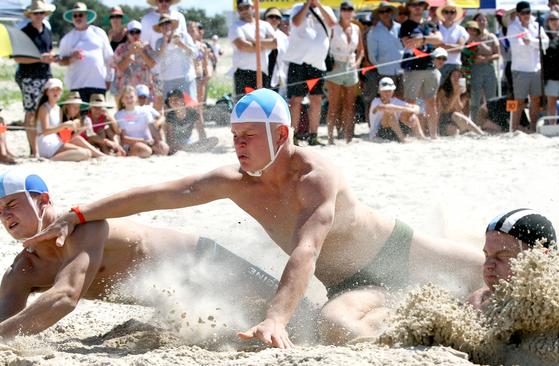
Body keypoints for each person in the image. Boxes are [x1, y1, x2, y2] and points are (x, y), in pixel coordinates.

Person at [28, 88, 484, 348]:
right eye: (234, 136)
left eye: (249, 136)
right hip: (351, 284)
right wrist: (80, 212)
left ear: (282, 135)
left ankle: (428, 284)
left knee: (490, 269)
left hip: (397, 250)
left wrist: (276, 319)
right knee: (337, 329)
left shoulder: (315, 177)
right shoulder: (238, 179)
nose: (238, 145)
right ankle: (410, 307)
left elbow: (306, 250)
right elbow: (163, 194)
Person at [0, 168, 286, 338]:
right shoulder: (23, 270)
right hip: (194, 305)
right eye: (0, 211)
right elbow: (7, 324)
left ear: (43, 200)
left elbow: (64, 297)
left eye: (11, 204)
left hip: (205, 260)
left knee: (299, 315)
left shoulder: (86, 229)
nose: (5, 215)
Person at [468, 209, 557, 310]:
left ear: (541, 259)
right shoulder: (477, 303)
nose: (487, 265)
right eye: (487, 255)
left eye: (502, 256)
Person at [283, 0, 337, 146]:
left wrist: (318, 5)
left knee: (316, 99)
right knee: (296, 100)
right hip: (298, 61)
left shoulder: (326, 9)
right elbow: (295, 22)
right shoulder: (297, 8)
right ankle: (293, 136)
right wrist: (307, 5)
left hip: (317, 62)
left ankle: (313, 135)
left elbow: (332, 24)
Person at [15, 0, 57, 157]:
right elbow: (18, 58)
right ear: (30, 15)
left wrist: (52, 57)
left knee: (45, 111)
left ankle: (45, 147)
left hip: (46, 75)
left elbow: (49, 49)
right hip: (29, 77)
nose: (39, 16)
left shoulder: (47, 30)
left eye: (41, 13)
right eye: (36, 13)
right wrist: (40, 58)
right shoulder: (24, 33)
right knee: (31, 112)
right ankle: (34, 151)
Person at [399, 0, 443, 137]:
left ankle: (434, 135)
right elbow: (407, 43)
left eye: (420, 4)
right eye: (414, 5)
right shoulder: (406, 25)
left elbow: (439, 39)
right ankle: (417, 134)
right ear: (409, 8)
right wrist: (429, 39)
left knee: (432, 103)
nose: (417, 7)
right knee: (410, 104)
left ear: (424, 7)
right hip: (412, 68)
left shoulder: (430, 24)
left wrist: (422, 39)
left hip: (430, 66)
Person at [58, 2, 114, 103]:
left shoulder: (99, 33)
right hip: (77, 85)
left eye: (80, 15)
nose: (78, 17)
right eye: (75, 15)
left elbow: (109, 58)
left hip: (98, 84)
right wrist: (71, 58)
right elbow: (61, 61)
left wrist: (109, 79)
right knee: (80, 117)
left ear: (86, 16)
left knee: (99, 117)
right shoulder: (67, 38)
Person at [325, 2, 364, 145]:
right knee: (334, 104)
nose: (347, 12)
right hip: (336, 65)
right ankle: (330, 138)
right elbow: (325, 46)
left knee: (349, 104)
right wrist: (329, 61)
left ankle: (348, 136)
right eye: (345, 9)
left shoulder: (356, 28)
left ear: (353, 12)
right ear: (340, 11)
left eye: (350, 9)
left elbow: (361, 50)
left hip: (351, 65)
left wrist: (358, 63)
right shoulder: (333, 27)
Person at [508, 1, 549, 132]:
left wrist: (530, 41)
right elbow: (518, 46)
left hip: (536, 68)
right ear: (518, 14)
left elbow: (546, 43)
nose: (526, 15)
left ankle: (533, 128)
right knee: (518, 101)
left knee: (536, 100)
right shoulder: (513, 27)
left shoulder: (536, 25)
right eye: (523, 13)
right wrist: (536, 43)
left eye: (528, 12)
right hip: (520, 69)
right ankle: (513, 129)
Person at [35, 79, 97, 161]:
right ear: (47, 92)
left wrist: (80, 130)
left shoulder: (58, 109)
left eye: (58, 90)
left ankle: (53, 159)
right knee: (84, 153)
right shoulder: (44, 108)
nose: (55, 92)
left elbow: (65, 138)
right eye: (52, 90)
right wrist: (64, 125)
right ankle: (52, 160)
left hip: (56, 142)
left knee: (87, 153)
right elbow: (45, 131)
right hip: (46, 143)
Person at [228, 0, 277, 96]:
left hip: (262, 72)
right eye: (240, 8)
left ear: (253, 8)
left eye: (246, 7)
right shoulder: (235, 26)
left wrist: (254, 41)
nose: (244, 10)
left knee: (262, 103)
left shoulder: (264, 25)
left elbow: (274, 43)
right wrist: (263, 45)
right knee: (246, 105)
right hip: (244, 73)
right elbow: (243, 46)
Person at [153, 14, 199, 104]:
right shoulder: (159, 42)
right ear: (160, 28)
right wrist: (165, 43)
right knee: (170, 111)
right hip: (167, 80)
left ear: (172, 25)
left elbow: (195, 54)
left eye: (167, 23)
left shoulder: (184, 36)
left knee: (191, 107)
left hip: (186, 79)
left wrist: (181, 44)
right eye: (162, 24)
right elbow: (157, 61)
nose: (165, 26)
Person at [115, 86, 169, 158]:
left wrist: (157, 141)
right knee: (145, 150)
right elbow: (124, 139)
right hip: (131, 144)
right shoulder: (119, 115)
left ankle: (152, 151)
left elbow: (152, 129)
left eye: (131, 97)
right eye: (126, 97)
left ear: (136, 98)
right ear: (122, 100)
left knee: (164, 148)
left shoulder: (144, 111)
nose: (129, 100)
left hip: (148, 142)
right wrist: (143, 141)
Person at [465, 15, 500, 123]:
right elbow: (466, 54)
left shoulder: (491, 36)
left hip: (489, 68)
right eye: (479, 20)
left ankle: (492, 122)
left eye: (483, 19)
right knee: (475, 99)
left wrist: (485, 59)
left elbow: (498, 54)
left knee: (491, 99)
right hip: (475, 69)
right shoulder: (470, 37)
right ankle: (475, 123)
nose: (481, 22)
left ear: (487, 22)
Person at [366, 2, 404, 99]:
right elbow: (372, 56)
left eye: (387, 11)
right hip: (384, 71)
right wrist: (381, 66)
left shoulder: (401, 28)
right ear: (378, 15)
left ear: (391, 12)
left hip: (402, 70)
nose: (385, 14)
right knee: (386, 100)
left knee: (402, 99)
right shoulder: (373, 32)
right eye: (382, 12)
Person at [369, 77, 425, 142]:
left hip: (394, 133)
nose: (387, 93)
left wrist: (412, 112)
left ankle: (420, 136)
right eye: (384, 91)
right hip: (378, 135)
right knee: (389, 113)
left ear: (393, 91)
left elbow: (416, 107)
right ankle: (403, 140)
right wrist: (408, 109)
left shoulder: (395, 100)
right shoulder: (375, 102)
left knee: (412, 116)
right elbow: (386, 107)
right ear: (379, 91)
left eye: (389, 90)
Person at [163, 89, 217, 154]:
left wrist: (203, 142)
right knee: (172, 147)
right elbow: (170, 139)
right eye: (170, 100)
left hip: (189, 142)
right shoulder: (170, 116)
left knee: (214, 139)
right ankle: (190, 149)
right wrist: (175, 147)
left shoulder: (192, 113)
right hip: (176, 144)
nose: (173, 102)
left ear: (182, 100)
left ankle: (190, 149)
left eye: (176, 99)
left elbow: (201, 132)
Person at [436, 67, 485, 136]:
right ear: (449, 78)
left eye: (459, 76)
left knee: (455, 115)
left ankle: (480, 134)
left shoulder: (464, 92)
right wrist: (455, 94)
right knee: (453, 129)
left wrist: (458, 93)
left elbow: (459, 109)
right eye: (454, 76)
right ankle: (479, 133)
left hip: (458, 119)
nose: (456, 78)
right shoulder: (443, 90)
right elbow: (446, 110)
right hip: (444, 120)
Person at [113, 20, 157, 97]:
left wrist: (141, 52)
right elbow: (119, 68)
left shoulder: (147, 47)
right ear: (127, 34)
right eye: (132, 32)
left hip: (145, 91)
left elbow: (152, 65)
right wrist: (130, 52)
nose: (135, 35)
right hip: (126, 91)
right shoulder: (121, 48)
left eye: (137, 32)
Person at [59, 91, 106, 158]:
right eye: (74, 107)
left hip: (67, 144)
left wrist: (83, 128)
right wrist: (80, 130)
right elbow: (66, 140)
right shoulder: (62, 118)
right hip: (60, 146)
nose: (76, 110)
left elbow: (89, 134)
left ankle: (102, 154)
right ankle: (102, 155)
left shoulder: (75, 118)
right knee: (78, 139)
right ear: (67, 106)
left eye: (78, 107)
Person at [436, 1, 469, 81]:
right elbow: (433, 46)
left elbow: (460, 48)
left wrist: (442, 46)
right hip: (437, 65)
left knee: (455, 92)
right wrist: (452, 46)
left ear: (456, 14)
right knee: (437, 91)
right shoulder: (436, 27)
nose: (449, 14)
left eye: (452, 12)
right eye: (446, 12)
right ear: (442, 13)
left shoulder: (461, 29)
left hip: (454, 65)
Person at [264, 8, 289, 91]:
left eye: (277, 17)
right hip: (261, 74)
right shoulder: (259, 34)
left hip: (276, 77)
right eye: (271, 16)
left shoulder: (284, 38)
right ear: (266, 19)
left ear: (280, 21)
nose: (274, 19)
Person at [188, 21, 211, 107]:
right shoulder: (186, 46)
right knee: (191, 102)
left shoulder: (202, 46)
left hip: (200, 76)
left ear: (197, 32)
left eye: (193, 30)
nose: (191, 33)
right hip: (190, 77)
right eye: (189, 31)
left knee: (200, 102)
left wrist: (207, 74)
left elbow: (205, 62)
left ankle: (200, 119)